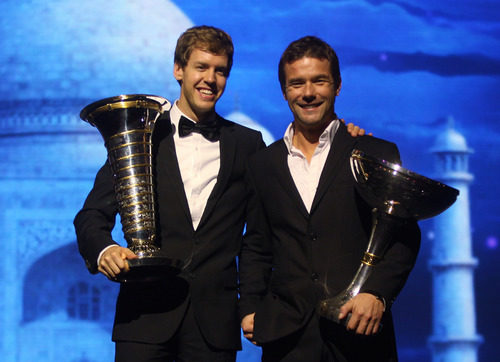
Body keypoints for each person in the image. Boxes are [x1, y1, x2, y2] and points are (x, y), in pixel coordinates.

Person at [239, 36, 421, 361]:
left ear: (337, 86)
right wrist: (250, 307)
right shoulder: (262, 164)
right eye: (297, 83)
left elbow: (404, 236)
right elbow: (257, 244)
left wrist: (378, 293)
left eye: (318, 81)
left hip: (359, 334)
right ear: (284, 91)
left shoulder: (374, 153)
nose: (308, 93)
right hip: (286, 339)